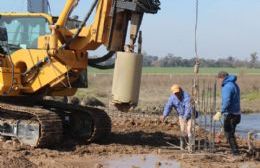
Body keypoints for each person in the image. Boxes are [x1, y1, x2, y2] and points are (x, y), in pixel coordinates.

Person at [160, 84, 196, 151]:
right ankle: (183, 146)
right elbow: (168, 106)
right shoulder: (172, 98)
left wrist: (185, 117)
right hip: (181, 115)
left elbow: (188, 108)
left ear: (180, 90)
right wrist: (164, 115)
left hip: (190, 115)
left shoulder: (186, 96)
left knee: (189, 130)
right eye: (175, 93)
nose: (177, 94)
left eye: (178, 92)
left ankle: (191, 146)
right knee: (183, 131)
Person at [213, 71, 241, 155]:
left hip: (230, 114)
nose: (218, 81)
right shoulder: (234, 84)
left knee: (229, 134)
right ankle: (235, 151)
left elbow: (226, 101)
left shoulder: (227, 87)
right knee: (230, 133)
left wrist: (220, 112)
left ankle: (236, 153)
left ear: (222, 78)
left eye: (219, 79)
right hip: (237, 113)